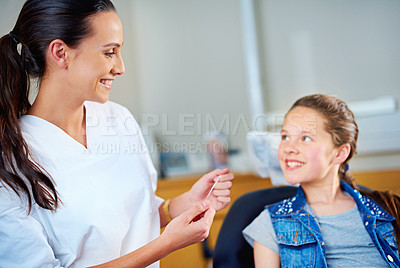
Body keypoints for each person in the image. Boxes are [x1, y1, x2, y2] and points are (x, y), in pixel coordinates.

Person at [0, 0, 234, 267]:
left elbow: (137, 218)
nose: (120, 67)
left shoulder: (118, 119)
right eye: (110, 52)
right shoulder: (12, 156)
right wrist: (166, 244)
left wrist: (184, 203)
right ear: (60, 52)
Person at [243, 94, 400, 267]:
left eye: (305, 138)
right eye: (285, 137)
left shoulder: (390, 209)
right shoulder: (270, 224)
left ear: (340, 153)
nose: (288, 148)